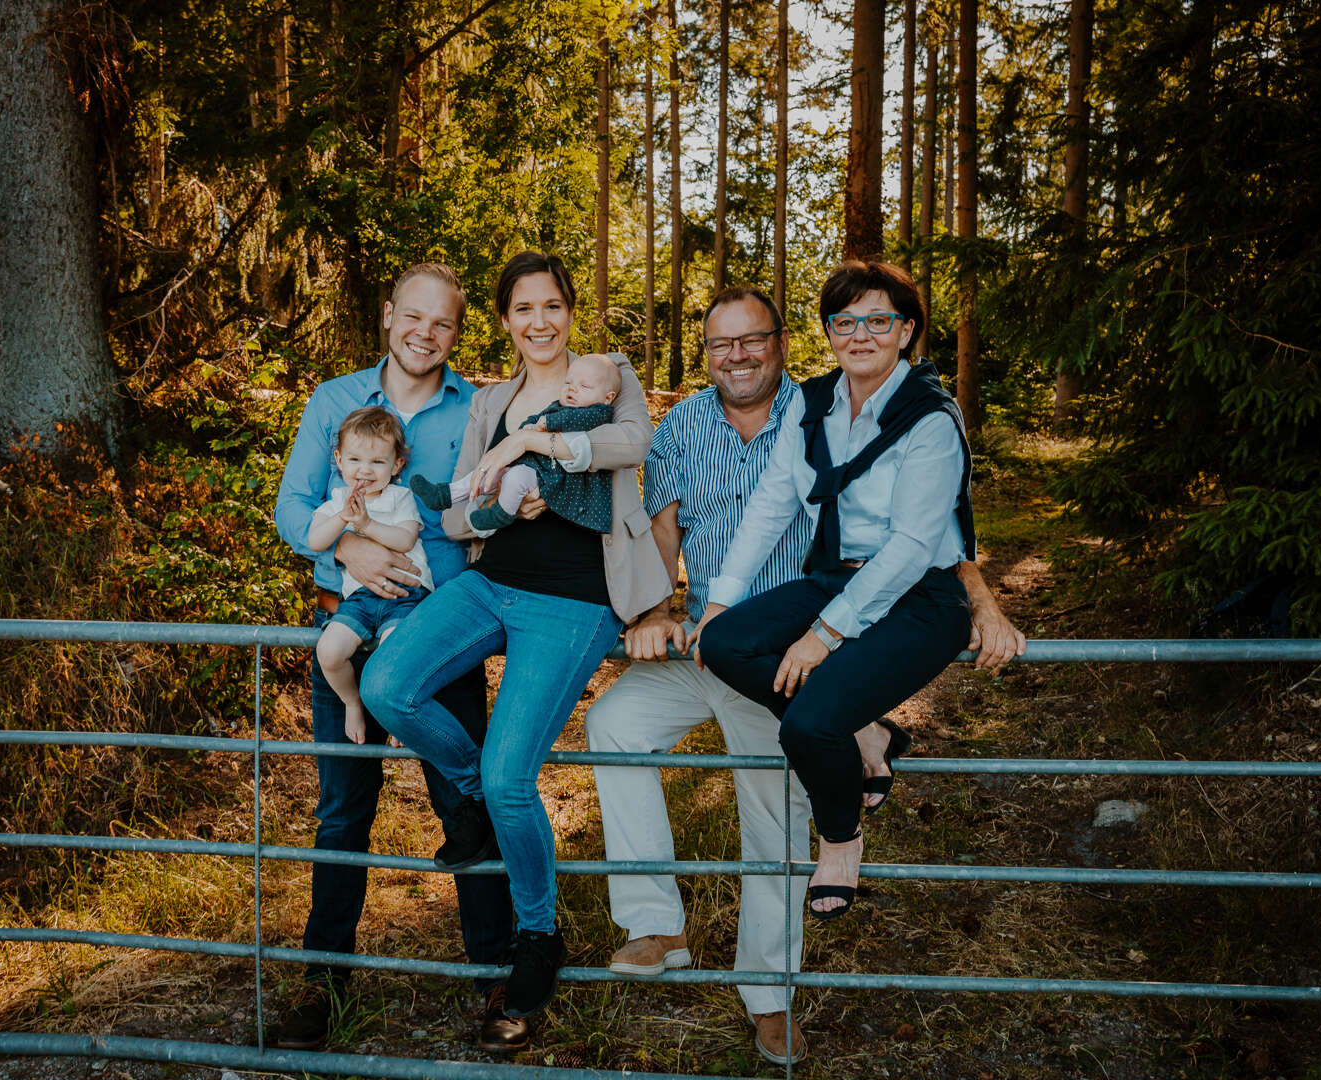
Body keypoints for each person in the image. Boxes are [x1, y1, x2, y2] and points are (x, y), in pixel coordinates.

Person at [585, 284, 1025, 1065]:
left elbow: (934, 527)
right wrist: (659, 611)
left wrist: (982, 602)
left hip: (798, 649)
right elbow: (661, 525)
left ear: (783, 341)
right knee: (613, 724)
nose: (737, 356)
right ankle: (657, 923)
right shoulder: (685, 421)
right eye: (721, 344)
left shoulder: (827, 406)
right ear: (707, 353)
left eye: (752, 339)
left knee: (774, 818)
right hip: (715, 641)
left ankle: (770, 994)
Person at [362, 251, 671, 1022]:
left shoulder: (606, 373)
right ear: (504, 321)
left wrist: (544, 447)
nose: (540, 322)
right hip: (491, 580)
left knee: (513, 775)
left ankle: (538, 935)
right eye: (523, 309)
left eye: (553, 306)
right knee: (387, 685)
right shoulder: (490, 400)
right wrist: (500, 509)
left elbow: (635, 442)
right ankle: (469, 801)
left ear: (571, 311)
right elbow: (456, 516)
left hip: (575, 599)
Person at [272, 263, 529, 1053]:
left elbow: (489, 506)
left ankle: (496, 969)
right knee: (343, 807)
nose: (426, 333)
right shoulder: (333, 401)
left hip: (444, 633)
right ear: (388, 316)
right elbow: (291, 506)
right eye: (413, 317)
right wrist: (353, 541)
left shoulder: (479, 408)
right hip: (347, 619)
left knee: (466, 795)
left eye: (443, 323)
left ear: (458, 332)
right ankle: (323, 979)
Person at [694, 260, 988, 929]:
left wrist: (823, 634)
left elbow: (915, 546)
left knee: (806, 723)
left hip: (920, 597)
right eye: (844, 320)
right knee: (725, 642)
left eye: (878, 320)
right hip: (836, 575)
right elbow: (771, 504)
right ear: (828, 331)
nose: (860, 334)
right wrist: (720, 598)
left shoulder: (932, 420)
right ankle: (869, 729)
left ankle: (840, 837)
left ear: (906, 330)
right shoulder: (812, 401)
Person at [308, 406, 434, 745]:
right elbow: (315, 540)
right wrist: (343, 519)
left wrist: (366, 524)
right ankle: (352, 702)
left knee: (397, 654)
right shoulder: (337, 501)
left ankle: (395, 713)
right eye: (355, 460)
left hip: (405, 595)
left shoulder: (400, 497)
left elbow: (405, 539)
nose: (365, 470)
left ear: (396, 466)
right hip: (360, 598)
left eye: (378, 462)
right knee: (330, 651)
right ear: (338, 459)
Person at [409, 351, 621, 533]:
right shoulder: (559, 405)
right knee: (485, 474)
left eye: (583, 386)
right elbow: (538, 417)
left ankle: (502, 513)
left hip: (549, 476)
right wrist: (528, 427)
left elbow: (574, 420)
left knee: (515, 480)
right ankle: (444, 494)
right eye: (568, 383)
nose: (572, 389)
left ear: (607, 397)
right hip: (534, 466)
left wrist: (546, 424)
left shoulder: (598, 413)